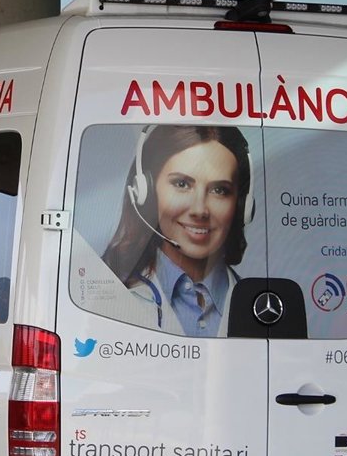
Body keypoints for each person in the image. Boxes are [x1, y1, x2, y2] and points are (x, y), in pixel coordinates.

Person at [100, 124, 253, 337]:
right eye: (182, 184)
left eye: (219, 190)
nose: (199, 210)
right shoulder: (106, 299)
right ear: (147, 193)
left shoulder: (262, 306)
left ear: (241, 205)